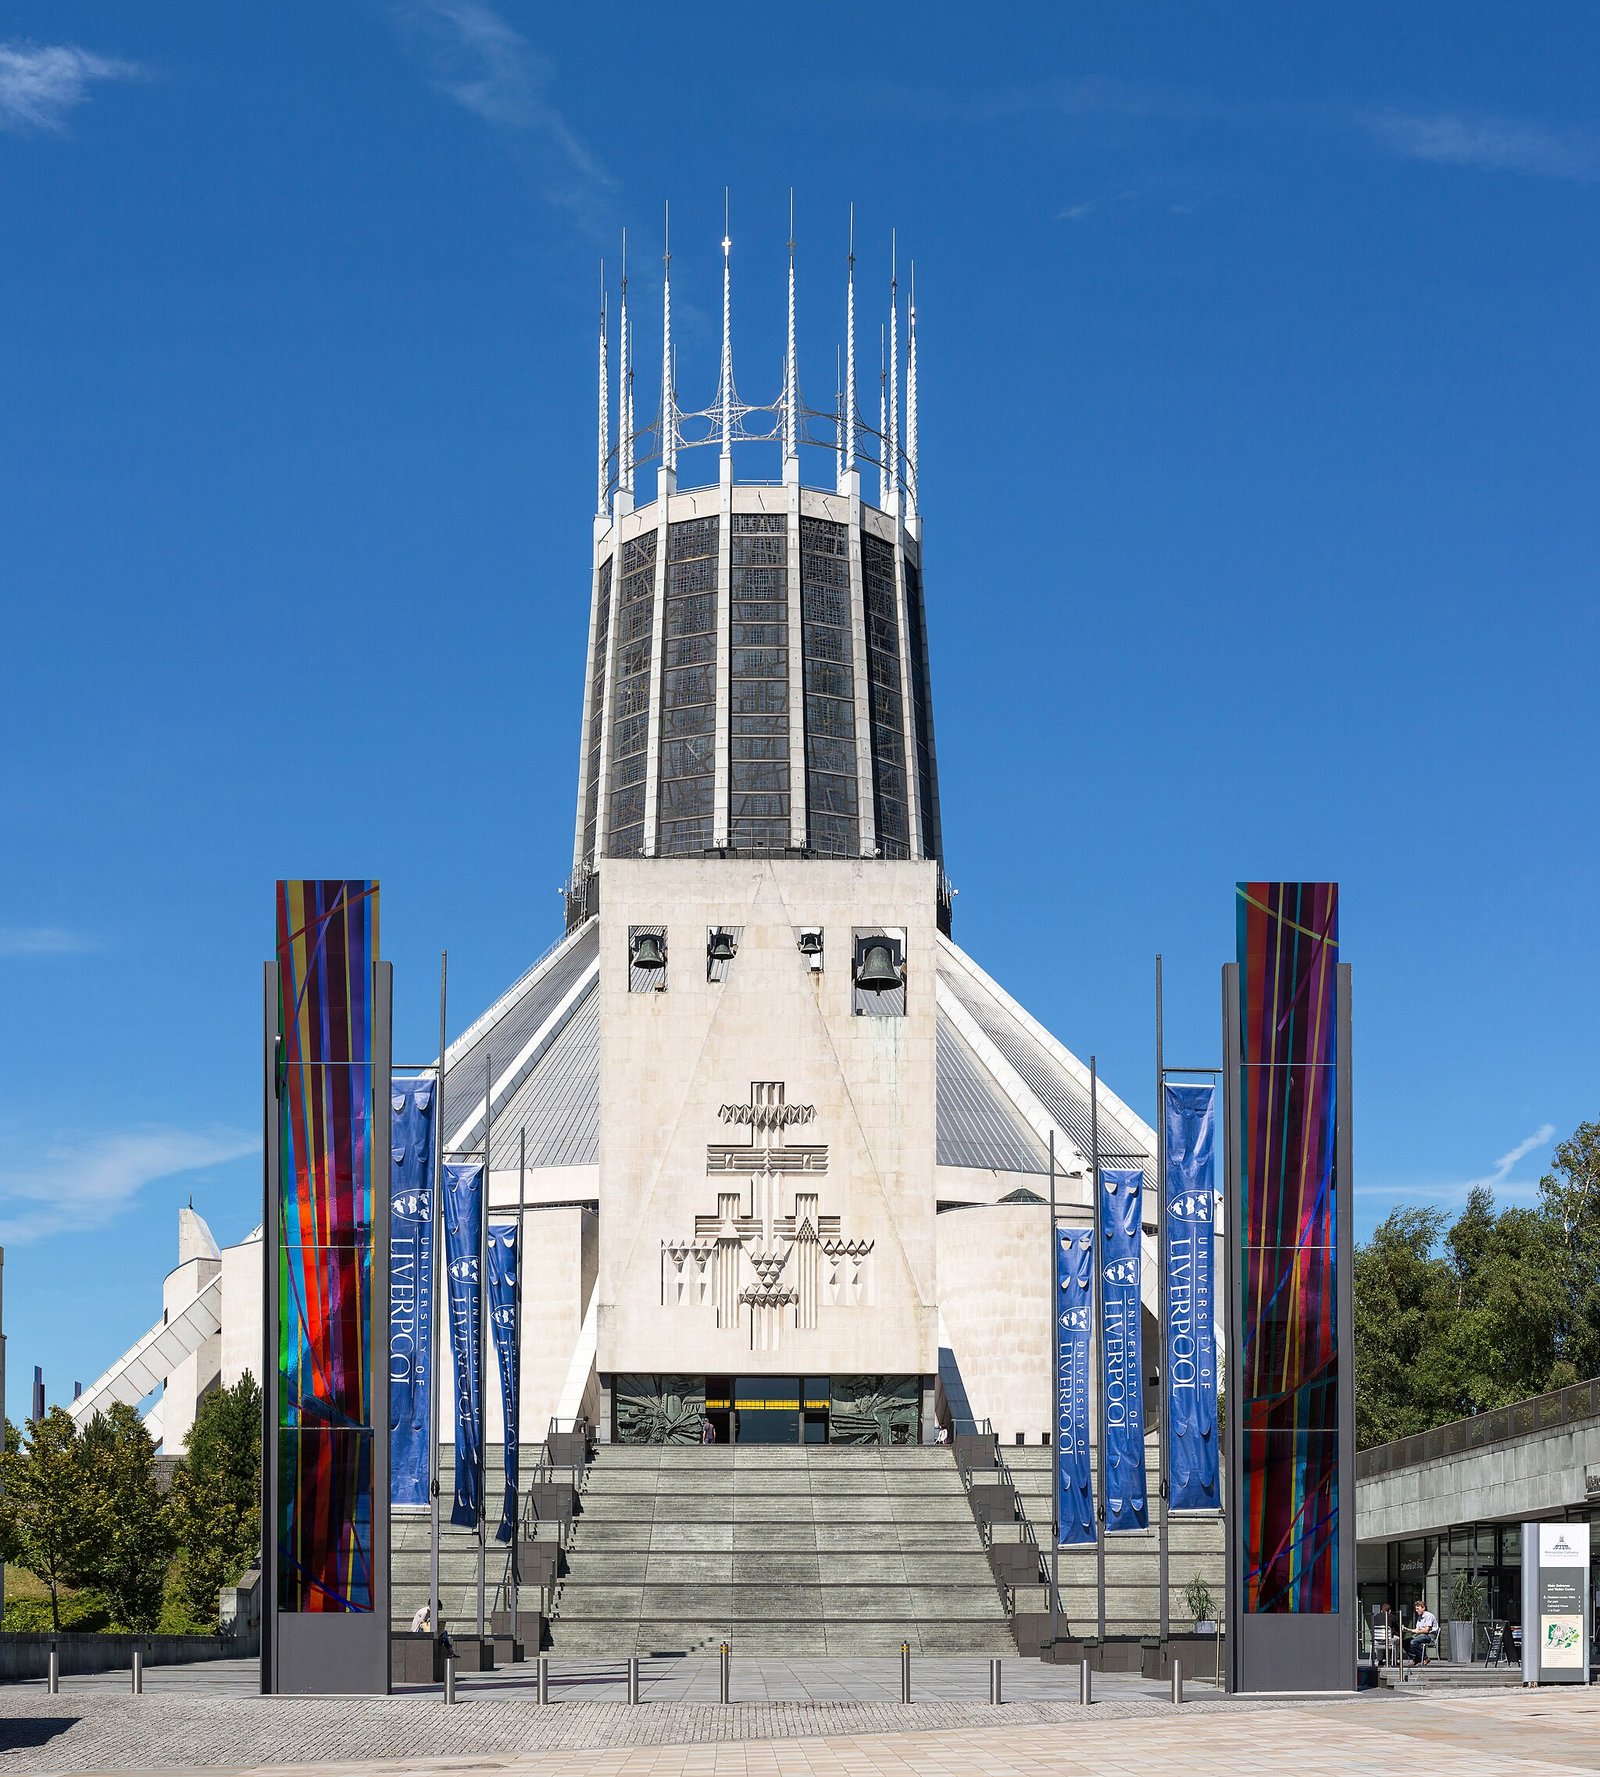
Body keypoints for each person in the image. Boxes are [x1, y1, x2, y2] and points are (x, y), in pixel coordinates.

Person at [1405, 1597, 1438, 1665]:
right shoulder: (1420, 1617)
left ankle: (1425, 1658)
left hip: (1429, 1635)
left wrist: (1417, 1632)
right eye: (1416, 1609)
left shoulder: (1429, 1616)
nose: (1416, 1610)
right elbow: (1417, 1629)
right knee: (1405, 1642)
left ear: (1423, 1608)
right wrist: (1408, 1630)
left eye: (1418, 1608)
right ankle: (1416, 1658)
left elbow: (1426, 1630)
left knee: (1413, 1642)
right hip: (1421, 1635)